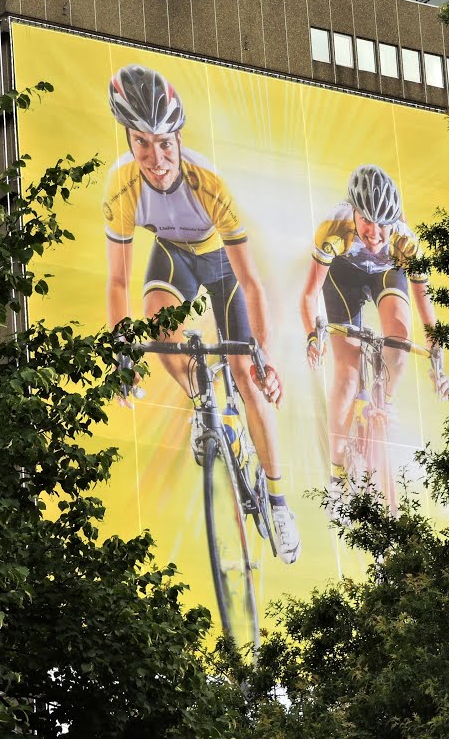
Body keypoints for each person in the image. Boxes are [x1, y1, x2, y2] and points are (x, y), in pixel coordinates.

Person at [103, 64, 301, 563]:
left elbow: (252, 282)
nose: (156, 157)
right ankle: (203, 402)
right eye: (142, 143)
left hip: (223, 266)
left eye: (165, 143)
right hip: (172, 255)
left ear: (179, 137)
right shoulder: (122, 186)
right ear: (128, 141)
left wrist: (265, 358)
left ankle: (278, 502)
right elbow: (119, 282)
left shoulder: (208, 182)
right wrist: (119, 356)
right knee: (156, 325)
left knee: (243, 370)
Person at [300, 164, 449, 521]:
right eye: (367, 221)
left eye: (384, 223)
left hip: (386, 274)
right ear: (354, 211)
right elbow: (308, 294)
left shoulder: (405, 241)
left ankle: (386, 401)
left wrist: (437, 359)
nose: (375, 232)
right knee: (348, 375)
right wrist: (312, 335)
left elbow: (425, 309)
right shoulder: (333, 229)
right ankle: (337, 472)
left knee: (399, 339)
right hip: (343, 278)